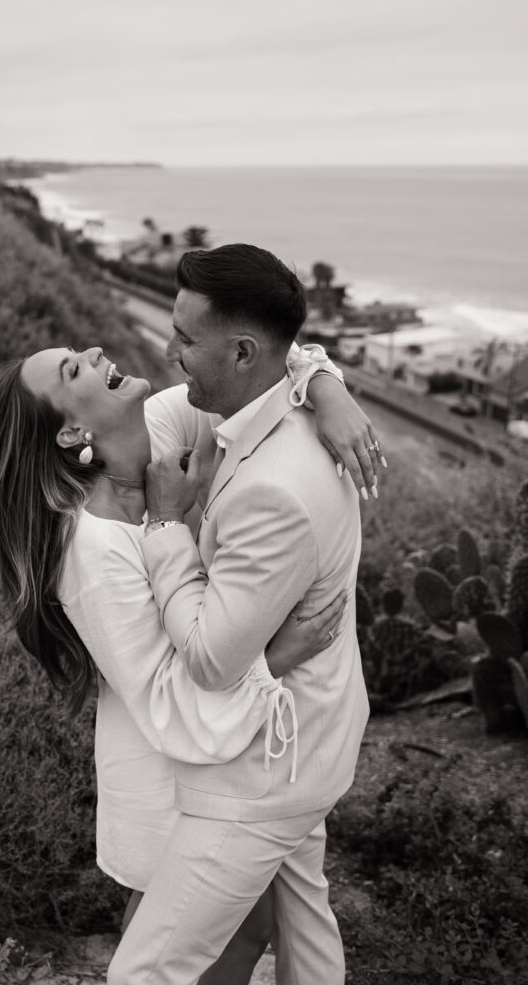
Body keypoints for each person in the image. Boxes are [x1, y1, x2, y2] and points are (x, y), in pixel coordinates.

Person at [0, 280, 379, 984]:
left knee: (267, 923)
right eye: (73, 368)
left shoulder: (161, 430)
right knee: (211, 944)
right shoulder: (91, 550)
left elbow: (263, 364)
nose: (94, 350)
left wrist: (328, 392)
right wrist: (277, 657)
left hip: (225, 753)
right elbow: (163, 693)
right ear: (71, 432)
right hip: (175, 764)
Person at [106, 244, 375, 985]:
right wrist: (322, 378)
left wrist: (165, 525)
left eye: (187, 340)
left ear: (245, 351)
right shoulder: (272, 407)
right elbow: (297, 359)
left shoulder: (275, 488)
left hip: (263, 774)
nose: (170, 353)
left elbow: (209, 657)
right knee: (306, 936)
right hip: (312, 738)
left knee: (147, 970)